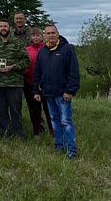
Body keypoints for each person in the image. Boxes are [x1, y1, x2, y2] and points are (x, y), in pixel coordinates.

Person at [34, 25, 80, 159]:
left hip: (63, 94)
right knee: (54, 121)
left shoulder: (67, 49)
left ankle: (72, 151)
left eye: (53, 33)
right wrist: (36, 90)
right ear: (45, 36)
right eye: (48, 33)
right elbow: (38, 73)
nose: (51, 35)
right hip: (48, 93)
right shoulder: (42, 52)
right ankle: (59, 147)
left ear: (58, 34)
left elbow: (74, 72)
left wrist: (70, 90)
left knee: (66, 122)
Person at [0, 19, 30, 138]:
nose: (3, 28)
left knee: (15, 110)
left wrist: (13, 67)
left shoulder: (18, 42)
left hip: (14, 83)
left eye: (5, 26)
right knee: (1, 111)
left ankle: (19, 134)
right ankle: (5, 134)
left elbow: (26, 61)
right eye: (1, 26)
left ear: (10, 28)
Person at [24, 28, 52, 137]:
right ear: (31, 37)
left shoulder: (47, 49)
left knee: (48, 109)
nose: (36, 37)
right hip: (30, 83)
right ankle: (37, 132)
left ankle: (53, 131)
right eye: (33, 35)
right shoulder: (27, 49)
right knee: (34, 110)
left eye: (38, 35)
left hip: (45, 84)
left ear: (42, 36)